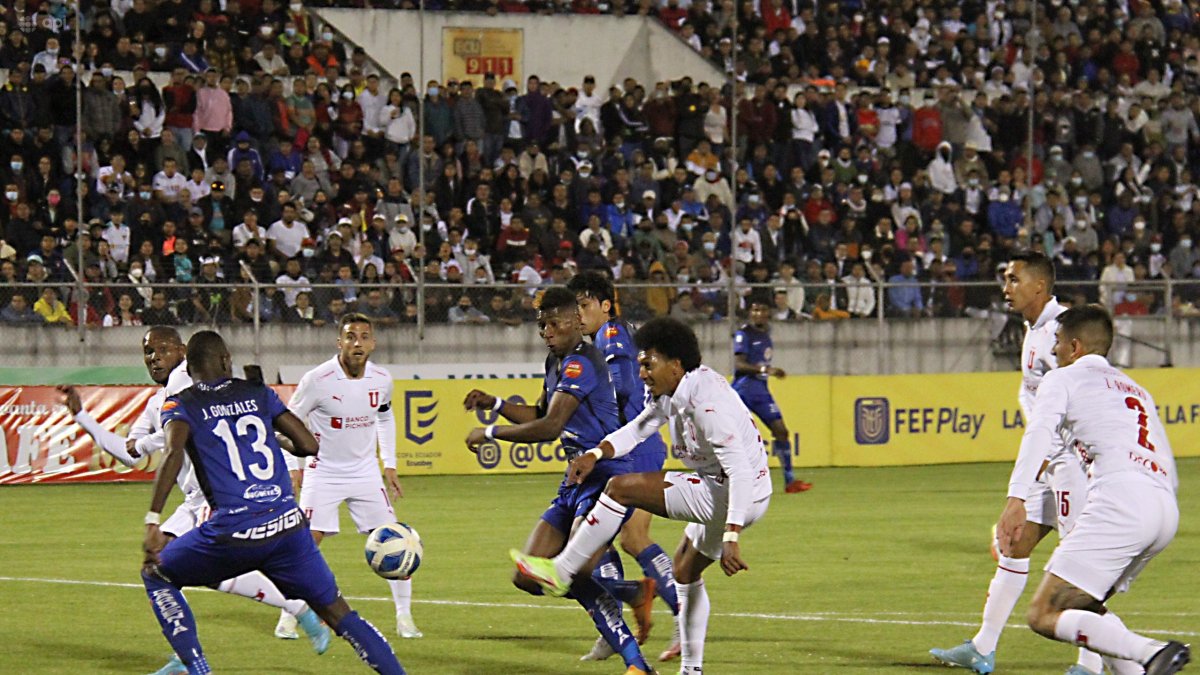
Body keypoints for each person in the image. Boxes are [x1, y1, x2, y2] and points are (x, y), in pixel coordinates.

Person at [511, 316, 773, 675]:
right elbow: (638, 428)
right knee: (684, 573)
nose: (643, 373)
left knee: (620, 489)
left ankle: (563, 568)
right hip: (729, 489)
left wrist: (732, 535)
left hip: (735, 494)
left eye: (649, 364)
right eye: (641, 365)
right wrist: (597, 453)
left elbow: (740, 471)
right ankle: (691, 670)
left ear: (676, 365)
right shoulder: (675, 390)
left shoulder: (708, 406)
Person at [61, 327, 328, 675]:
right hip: (193, 500)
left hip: (217, 494)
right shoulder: (157, 403)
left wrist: (148, 450)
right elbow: (128, 454)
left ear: (183, 351)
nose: (154, 357)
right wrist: (82, 416)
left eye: (162, 349)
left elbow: (196, 430)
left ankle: (286, 613)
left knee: (169, 568)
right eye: (147, 352)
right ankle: (191, 652)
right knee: (167, 567)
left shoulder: (190, 385)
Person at [143, 331, 405, 675]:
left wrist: (152, 519)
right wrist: (273, 437)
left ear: (189, 369)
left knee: (156, 573)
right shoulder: (258, 393)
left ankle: (196, 667)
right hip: (287, 528)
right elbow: (309, 446)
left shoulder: (181, 403)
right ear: (226, 361)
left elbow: (174, 452)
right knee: (342, 615)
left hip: (232, 531)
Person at [462, 286, 653, 675]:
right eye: (541, 325)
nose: (546, 331)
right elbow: (538, 410)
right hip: (573, 482)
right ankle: (632, 591)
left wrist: (490, 432)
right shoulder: (557, 362)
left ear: (576, 322)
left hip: (605, 477)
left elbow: (550, 426)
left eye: (553, 323)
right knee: (527, 577)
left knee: (578, 571)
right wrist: (495, 403)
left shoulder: (583, 362)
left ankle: (637, 663)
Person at [931, 253, 1096, 674]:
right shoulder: (1033, 330)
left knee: (1080, 564)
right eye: (1005, 278)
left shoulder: (1065, 331)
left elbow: (1090, 393)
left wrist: (1080, 457)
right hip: (1048, 461)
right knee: (1013, 544)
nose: (1006, 287)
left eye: (1013, 279)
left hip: (1072, 464)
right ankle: (983, 647)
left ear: (1039, 286)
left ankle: (1092, 662)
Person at [998, 305, 1186, 674]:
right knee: (1087, 607)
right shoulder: (1137, 389)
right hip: (1164, 508)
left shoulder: (1063, 379)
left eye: (1057, 343)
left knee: (1044, 613)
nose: (1052, 351)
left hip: (1122, 504)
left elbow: (1038, 433)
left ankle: (1152, 650)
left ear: (1075, 346)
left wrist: (1017, 497)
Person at [279, 314, 420, 640]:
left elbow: (385, 418)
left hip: (365, 471)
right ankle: (288, 615)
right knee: (304, 546)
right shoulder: (317, 379)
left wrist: (390, 464)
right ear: (339, 342)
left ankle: (405, 617)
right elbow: (286, 422)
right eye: (351, 336)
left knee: (396, 539)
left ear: (373, 343)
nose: (358, 343)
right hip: (322, 470)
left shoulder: (382, 379)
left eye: (364, 336)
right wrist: (292, 467)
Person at [568, 271, 682, 662]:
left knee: (612, 538)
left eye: (584, 306)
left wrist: (600, 424)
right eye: (575, 307)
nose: (579, 314)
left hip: (630, 448)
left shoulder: (610, 337)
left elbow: (623, 388)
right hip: (635, 446)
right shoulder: (612, 334)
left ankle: (677, 615)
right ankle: (626, 625)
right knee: (620, 538)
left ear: (605, 304)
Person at [733, 293, 811, 493]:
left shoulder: (766, 335)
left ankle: (790, 480)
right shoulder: (744, 334)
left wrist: (768, 372)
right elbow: (739, 364)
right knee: (733, 438)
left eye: (762, 310)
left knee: (781, 431)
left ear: (769, 313)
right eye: (755, 310)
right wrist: (765, 370)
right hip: (744, 390)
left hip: (760, 390)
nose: (758, 314)